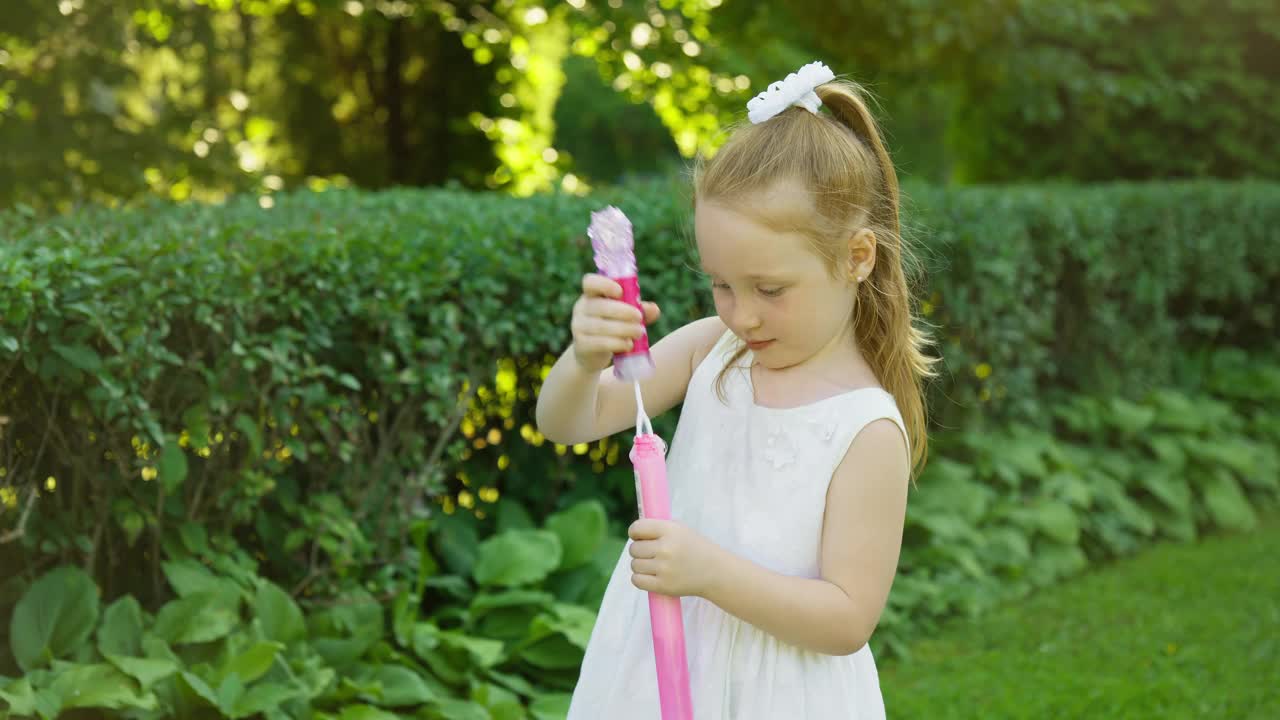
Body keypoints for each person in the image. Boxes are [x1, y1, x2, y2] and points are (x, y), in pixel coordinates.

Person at [535, 61, 936, 719]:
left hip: (781, 694)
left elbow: (847, 620)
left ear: (857, 257)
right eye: (722, 285)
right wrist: (583, 361)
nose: (741, 315)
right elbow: (568, 422)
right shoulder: (712, 353)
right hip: (658, 664)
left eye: (769, 289)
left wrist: (709, 574)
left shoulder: (865, 427)